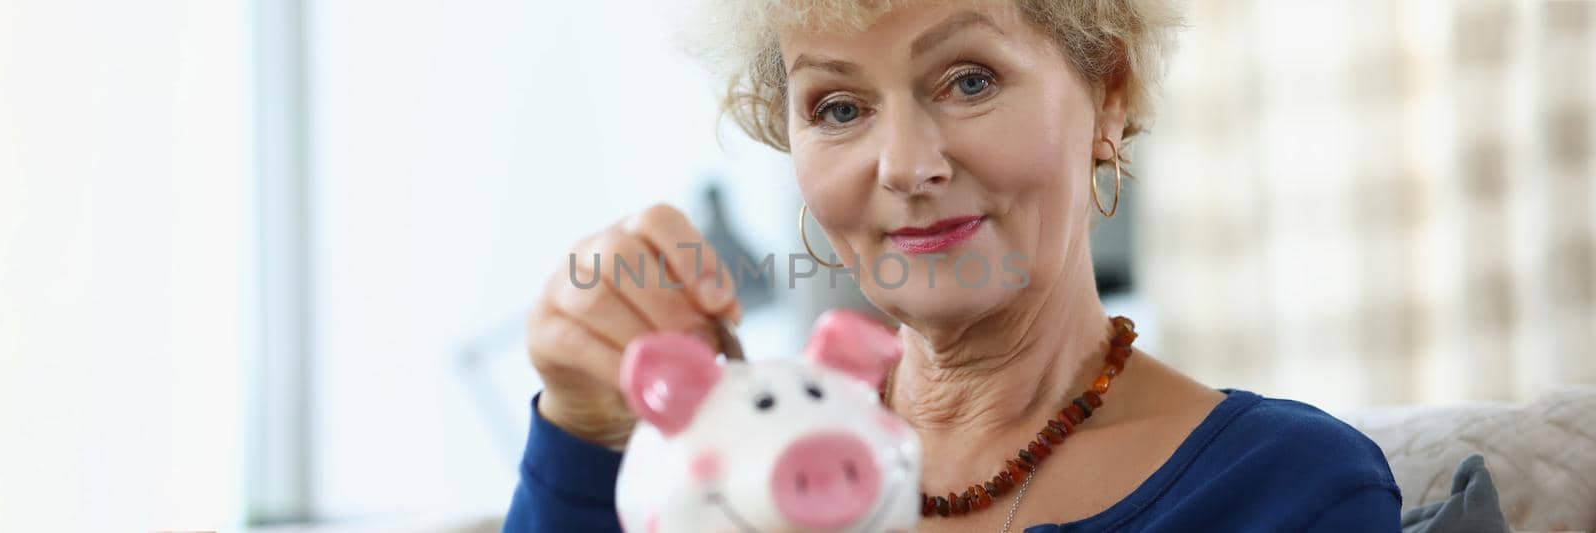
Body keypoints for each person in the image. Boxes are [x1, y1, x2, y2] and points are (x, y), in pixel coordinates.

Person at [504, 1, 1401, 531]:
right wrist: (588, 436)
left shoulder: (1289, 490)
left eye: (969, 80)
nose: (903, 164)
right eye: (840, 105)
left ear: (1110, 94)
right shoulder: (720, 468)